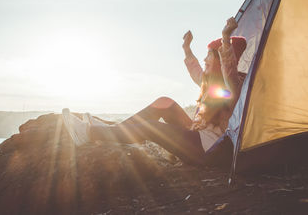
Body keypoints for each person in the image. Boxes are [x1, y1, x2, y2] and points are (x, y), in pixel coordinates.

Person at [62, 17, 246, 166]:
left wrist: (225, 40)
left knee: (152, 127)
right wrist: (186, 49)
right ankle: (110, 130)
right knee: (164, 102)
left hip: (206, 150)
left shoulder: (233, 88)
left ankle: (88, 133)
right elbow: (195, 69)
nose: (205, 58)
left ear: (220, 61)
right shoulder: (210, 83)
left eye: (211, 55)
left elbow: (229, 71)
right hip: (197, 135)